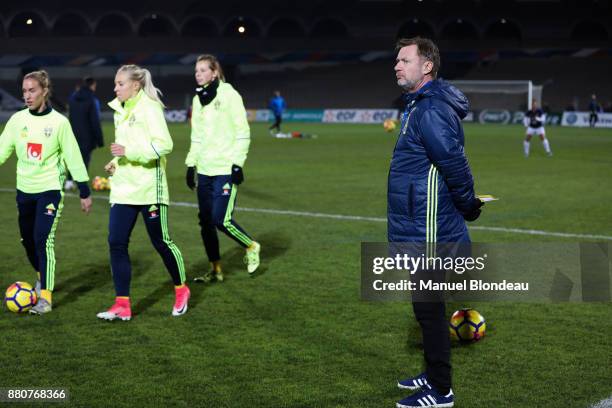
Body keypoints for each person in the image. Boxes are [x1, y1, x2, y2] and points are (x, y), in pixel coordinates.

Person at [389, 37, 483, 408]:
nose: (396, 65)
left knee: (427, 306)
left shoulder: (429, 110)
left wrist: (468, 204)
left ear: (426, 66)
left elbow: (454, 163)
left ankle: (441, 391)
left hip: (430, 226)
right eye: (396, 60)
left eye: (404, 60)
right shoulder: (419, 105)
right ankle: (432, 372)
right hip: (421, 221)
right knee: (426, 305)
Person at [96, 64, 189, 321]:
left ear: (135, 85)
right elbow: (125, 147)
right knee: (116, 243)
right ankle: (122, 304)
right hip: (124, 189)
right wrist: (115, 163)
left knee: (161, 242)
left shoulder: (150, 107)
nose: (115, 88)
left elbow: (164, 145)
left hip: (150, 189)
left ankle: (181, 289)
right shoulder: (120, 110)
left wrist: (128, 153)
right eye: (115, 84)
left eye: (120, 84)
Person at [0, 70, 92, 315]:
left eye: (32, 91)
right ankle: (42, 276)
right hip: (24, 190)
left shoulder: (60, 123)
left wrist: (84, 190)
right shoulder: (18, 120)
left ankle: (46, 299)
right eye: (24, 92)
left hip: (50, 189)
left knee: (43, 240)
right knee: (28, 241)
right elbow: (2, 150)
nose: (27, 96)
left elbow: (74, 157)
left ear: (44, 91)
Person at [185, 54, 260, 282]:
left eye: (203, 70)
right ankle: (215, 269)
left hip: (225, 168)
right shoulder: (198, 100)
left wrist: (238, 163)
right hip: (205, 170)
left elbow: (242, 131)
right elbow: (196, 136)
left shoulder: (229, 95)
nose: (198, 74)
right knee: (206, 222)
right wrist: (191, 165)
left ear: (214, 72)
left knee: (221, 219)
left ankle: (251, 245)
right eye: (196, 71)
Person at [65, 76, 104, 190]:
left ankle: (69, 181)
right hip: (88, 136)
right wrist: (99, 140)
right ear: (92, 85)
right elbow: (95, 121)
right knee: (84, 159)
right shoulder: (92, 100)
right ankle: (80, 183)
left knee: (74, 158)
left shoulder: (73, 98)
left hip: (74, 133)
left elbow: (70, 117)